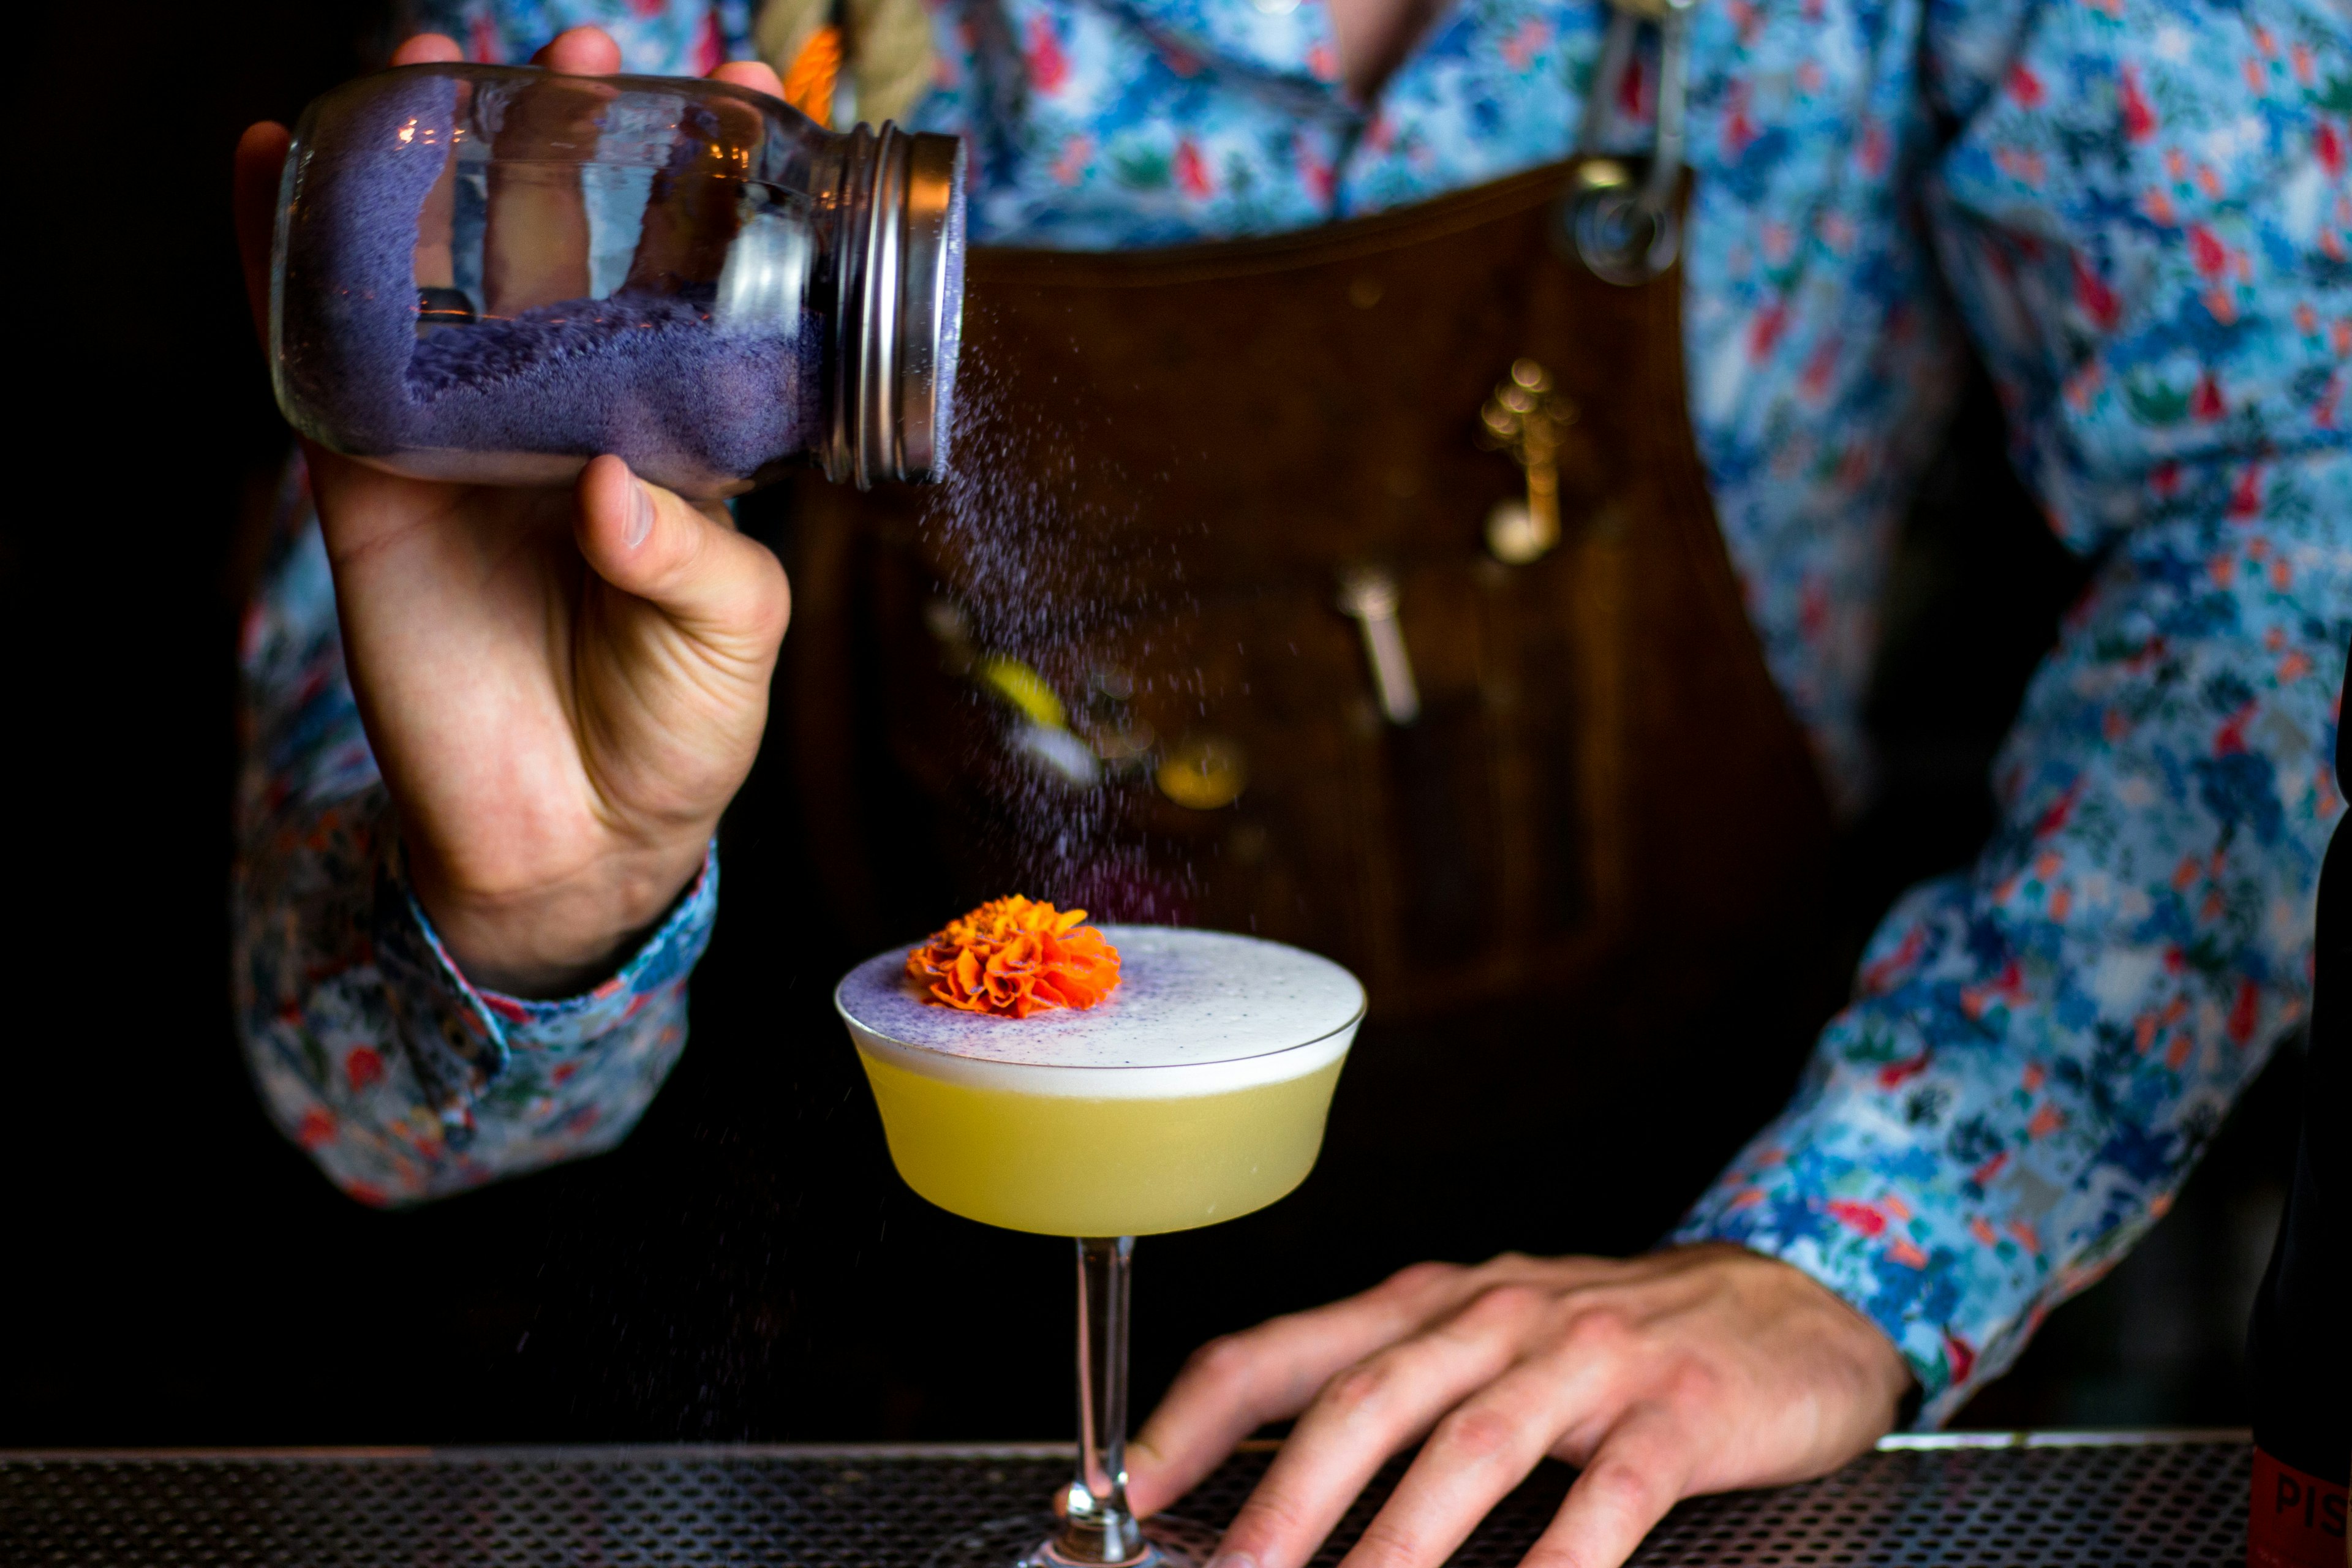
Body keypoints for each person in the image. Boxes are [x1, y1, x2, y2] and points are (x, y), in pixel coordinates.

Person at [225, 0, 2352, 1564]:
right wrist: (521, 923)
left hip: (1700, 1433)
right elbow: (374, 1122)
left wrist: (1863, 1247)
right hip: (908, 1457)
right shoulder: (638, 81)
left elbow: (2292, 489)